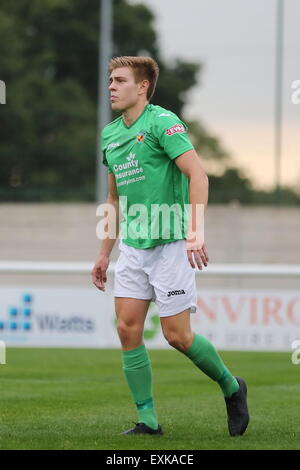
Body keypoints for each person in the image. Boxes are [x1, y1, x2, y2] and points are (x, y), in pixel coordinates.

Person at [92, 56, 249, 436]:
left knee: (177, 336)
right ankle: (147, 420)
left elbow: (198, 174)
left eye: (120, 80)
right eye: (110, 80)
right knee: (128, 329)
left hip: (170, 244)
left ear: (143, 86)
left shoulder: (163, 122)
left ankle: (232, 386)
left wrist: (195, 230)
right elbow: (113, 200)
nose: (111, 86)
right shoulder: (110, 134)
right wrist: (103, 253)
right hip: (132, 246)